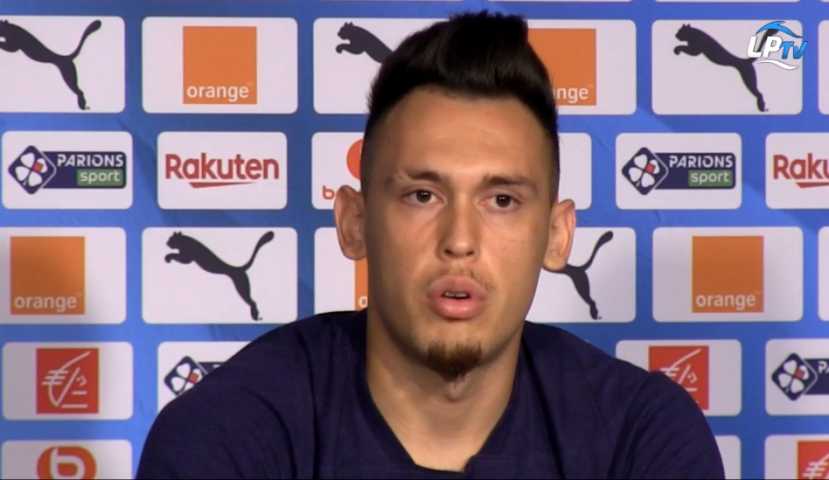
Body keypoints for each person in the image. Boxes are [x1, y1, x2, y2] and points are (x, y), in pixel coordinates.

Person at [137, 11, 724, 478]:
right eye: (422, 195)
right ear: (355, 223)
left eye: (502, 200)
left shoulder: (640, 437)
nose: (459, 241)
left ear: (556, 235)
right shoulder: (227, 433)